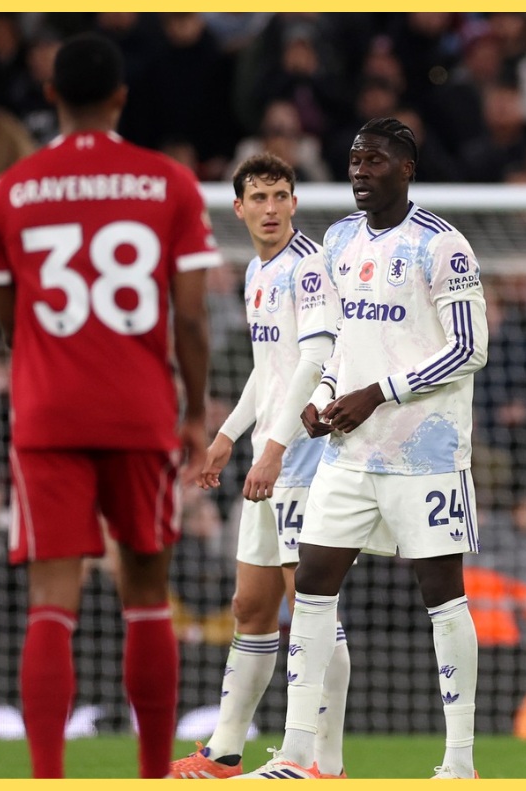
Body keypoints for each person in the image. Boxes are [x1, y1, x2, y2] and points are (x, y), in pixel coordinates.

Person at [0, 33, 218, 778]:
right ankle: (150, 773)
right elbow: (190, 317)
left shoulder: (8, 192)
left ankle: (48, 776)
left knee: (51, 598)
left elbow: (4, 312)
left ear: (51, 97)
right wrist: (194, 409)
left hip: (46, 414)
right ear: (121, 96)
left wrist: (47, 364)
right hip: (138, 411)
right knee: (146, 592)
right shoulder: (168, 184)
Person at [237, 117, 488, 780]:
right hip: (348, 454)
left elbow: (468, 348)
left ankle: (458, 759)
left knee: (442, 594)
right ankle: (297, 752)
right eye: (353, 159)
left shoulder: (443, 246)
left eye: (374, 160)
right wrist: (322, 398)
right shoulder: (339, 242)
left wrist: (377, 392)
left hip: (426, 455)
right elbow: (335, 343)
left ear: (406, 167)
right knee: (313, 585)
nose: (359, 170)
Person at [168, 154, 350, 779]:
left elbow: (314, 358)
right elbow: (267, 369)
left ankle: (324, 760)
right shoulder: (255, 271)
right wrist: (226, 435)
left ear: (294, 203)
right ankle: (222, 751)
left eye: (280, 195)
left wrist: (271, 448)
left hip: (305, 455)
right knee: (251, 602)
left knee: (311, 601)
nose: (270, 207)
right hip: (265, 458)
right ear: (239, 208)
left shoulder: (307, 268)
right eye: (258, 197)